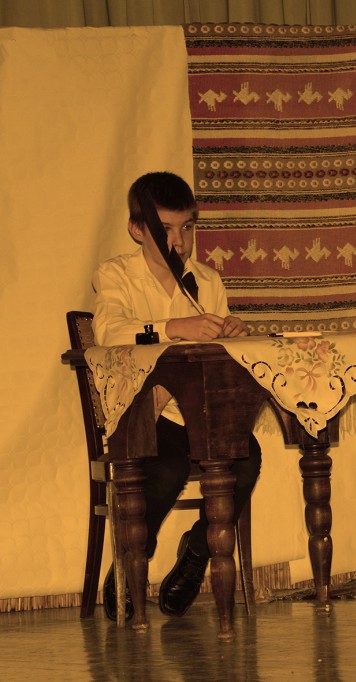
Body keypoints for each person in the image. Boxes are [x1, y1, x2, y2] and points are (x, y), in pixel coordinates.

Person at [92, 171, 262, 621]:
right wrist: (174, 328)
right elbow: (108, 333)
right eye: (165, 229)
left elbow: (224, 359)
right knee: (165, 467)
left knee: (246, 457)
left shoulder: (206, 280)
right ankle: (131, 560)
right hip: (144, 414)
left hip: (199, 414)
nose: (180, 242)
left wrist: (234, 334)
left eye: (187, 227)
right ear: (137, 229)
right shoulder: (115, 275)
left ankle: (198, 549)